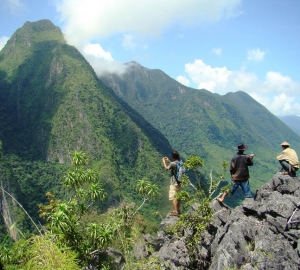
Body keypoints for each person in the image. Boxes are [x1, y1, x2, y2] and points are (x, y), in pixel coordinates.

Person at [162, 151, 181, 216]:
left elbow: (166, 168)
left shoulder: (173, 163)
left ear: (173, 157)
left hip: (173, 182)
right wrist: (169, 161)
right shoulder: (180, 162)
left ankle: (175, 212)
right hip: (179, 182)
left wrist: (164, 162)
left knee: (173, 197)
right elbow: (174, 166)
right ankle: (177, 210)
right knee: (178, 197)